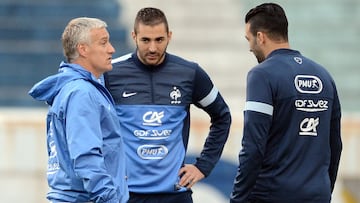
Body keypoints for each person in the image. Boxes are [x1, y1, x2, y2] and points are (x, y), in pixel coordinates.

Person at [104, 7, 232, 203]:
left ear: (169, 36)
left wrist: (203, 166)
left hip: (175, 195)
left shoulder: (189, 73)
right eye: (145, 40)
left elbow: (222, 116)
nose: (153, 48)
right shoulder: (111, 74)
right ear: (134, 36)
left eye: (159, 40)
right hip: (126, 195)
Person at [230, 3, 342, 203]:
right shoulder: (324, 75)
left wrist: (238, 198)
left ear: (261, 36)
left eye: (249, 39)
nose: (249, 47)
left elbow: (253, 147)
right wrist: (323, 190)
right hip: (317, 195)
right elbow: (335, 145)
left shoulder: (262, 75)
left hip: (272, 195)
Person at [28, 17, 129, 203]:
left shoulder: (72, 88)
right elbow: (86, 157)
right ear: (83, 49)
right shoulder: (82, 93)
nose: (111, 49)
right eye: (103, 42)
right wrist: (109, 198)